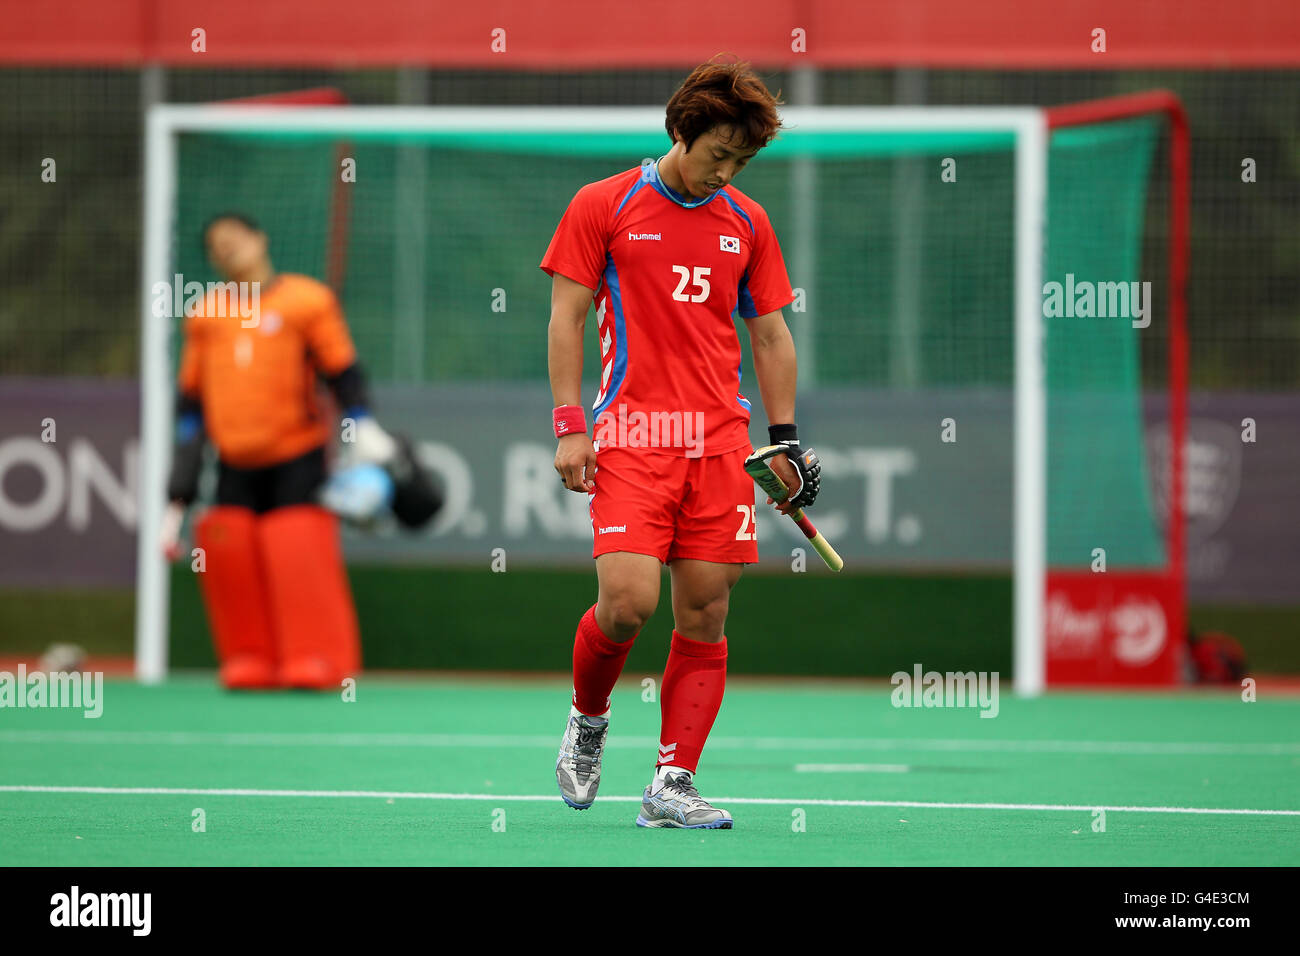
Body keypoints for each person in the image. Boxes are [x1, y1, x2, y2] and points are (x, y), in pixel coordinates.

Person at [542, 58, 822, 828]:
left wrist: (785, 443)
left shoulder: (748, 222)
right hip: (631, 437)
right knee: (627, 605)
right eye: (717, 155)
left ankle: (673, 783)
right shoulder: (603, 204)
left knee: (704, 613)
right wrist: (571, 425)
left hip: (719, 446)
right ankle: (588, 720)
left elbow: (769, 333)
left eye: (741, 162)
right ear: (681, 130)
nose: (724, 174)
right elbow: (566, 318)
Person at [163, 212, 398, 690]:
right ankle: (249, 656)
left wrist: (362, 423)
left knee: (297, 548)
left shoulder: (307, 301)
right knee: (233, 549)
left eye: (234, 238)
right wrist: (180, 478)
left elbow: (343, 371)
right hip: (233, 460)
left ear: (260, 238)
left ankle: (315, 657)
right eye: (215, 244)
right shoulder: (206, 314)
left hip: (298, 454)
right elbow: (191, 400)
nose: (226, 248)